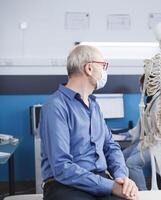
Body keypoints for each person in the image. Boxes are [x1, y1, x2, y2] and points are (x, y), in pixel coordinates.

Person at [39, 45, 138, 200]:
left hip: (100, 180)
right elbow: (62, 167)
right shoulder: (55, 106)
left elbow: (110, 146)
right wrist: (110, 186)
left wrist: (121, 177)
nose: (105, 71)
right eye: (103, 66)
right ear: (89, 69)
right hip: (65, 185)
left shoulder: (94, 106)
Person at [123, 74, 161, 190]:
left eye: (142, 85)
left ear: (150, 84)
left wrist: (141, 145)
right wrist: (129, 133)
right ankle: (127, 189)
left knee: (131, 163)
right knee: (122, 155)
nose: (141, 88)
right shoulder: (150, 100)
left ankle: (143, 194)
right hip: (151, 141)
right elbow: (142, 122)